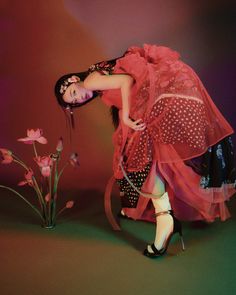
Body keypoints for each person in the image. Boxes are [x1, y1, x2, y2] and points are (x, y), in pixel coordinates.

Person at [54, 44, 236, 258]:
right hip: (163, 97)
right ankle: (165, 218)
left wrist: (125, 116)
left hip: (159, 102)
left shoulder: (91, 80)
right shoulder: (98, 80)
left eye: (73, 93)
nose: (79, 99)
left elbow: (126, 81)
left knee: (145, 162)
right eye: (74, 102)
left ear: (74, 80)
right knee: (155, 162)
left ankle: (165, 219)